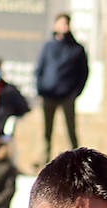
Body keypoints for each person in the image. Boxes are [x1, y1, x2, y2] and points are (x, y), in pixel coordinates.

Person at [34, 13, 88, 161]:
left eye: (66, 24)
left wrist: (75, 92)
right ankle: (43, 161)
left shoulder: (76, 49)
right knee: (46, 132)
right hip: (48, 94)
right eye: (61, 23)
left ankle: (78, 161)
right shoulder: (48, 46)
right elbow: (39, 69)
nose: (63, 27)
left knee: (71, 131)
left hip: (67, 96)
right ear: (55, 25)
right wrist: (40, 90)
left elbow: (83, 72)